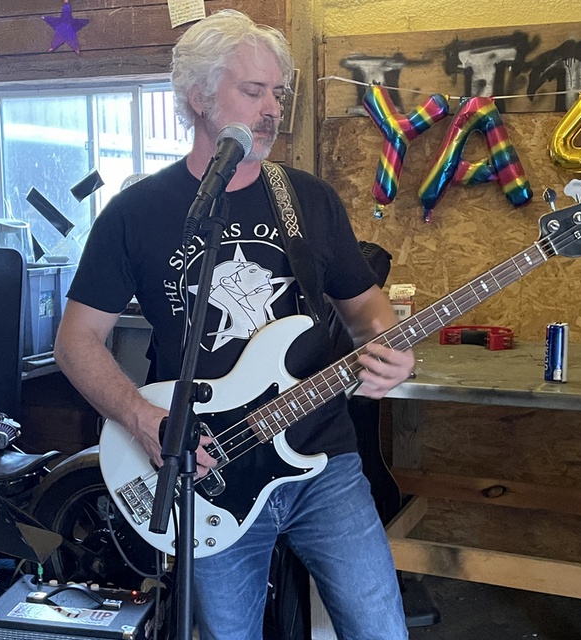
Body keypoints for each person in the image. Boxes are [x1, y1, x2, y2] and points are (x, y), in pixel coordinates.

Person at [54, 9, 414, 640]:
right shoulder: (136, 213)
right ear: (198, 96)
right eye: (253, 91)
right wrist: (143, 419)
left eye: (278, 93)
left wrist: (391, 351)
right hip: (205, 471)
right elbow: (75, 341)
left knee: (379, 628)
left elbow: (367, 310)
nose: (271, 109)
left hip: (322, 458)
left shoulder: (309, 199)